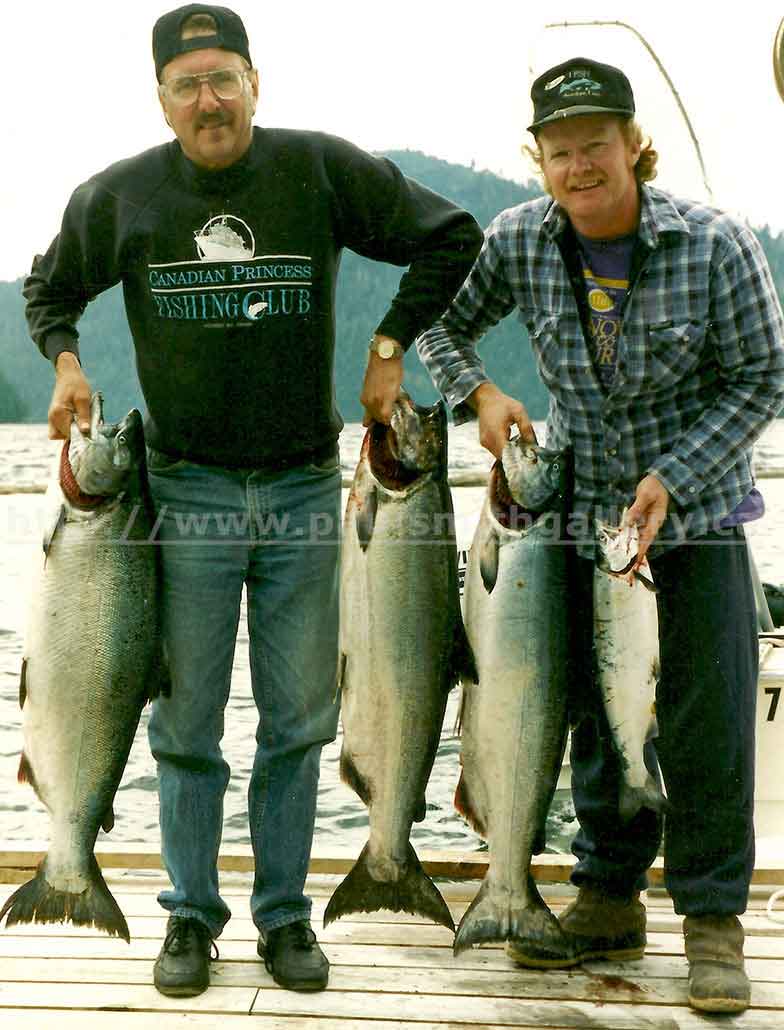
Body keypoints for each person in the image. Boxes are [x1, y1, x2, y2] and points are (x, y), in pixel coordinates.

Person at [24, 3, 482, 999]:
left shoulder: (316, 169)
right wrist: (65, 366)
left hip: (306, 492)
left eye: (223, 77)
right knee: (183, 725)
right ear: (162, 98)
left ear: (254, 82)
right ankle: (189, 915)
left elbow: (451, 237)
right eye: (187, 83)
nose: (208, 99)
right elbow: (49, 288)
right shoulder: (124, 195)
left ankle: (283, 917)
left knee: (299, 718)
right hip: (175, 494)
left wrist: (391, 344)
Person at [417, 56, 784, 1015]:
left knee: (706, 730)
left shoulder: (717, 245)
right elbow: (438, 332)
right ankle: (609, 894)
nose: (580, 166)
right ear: (537, 159)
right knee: (589, 713)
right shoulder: (517, 242)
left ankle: (711, 924)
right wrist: (482, 394)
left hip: (694, 526)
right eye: (559, 150)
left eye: (596, 145)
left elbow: (765, 381)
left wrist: (674, 476)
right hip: (574, 522)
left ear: (633, 144)